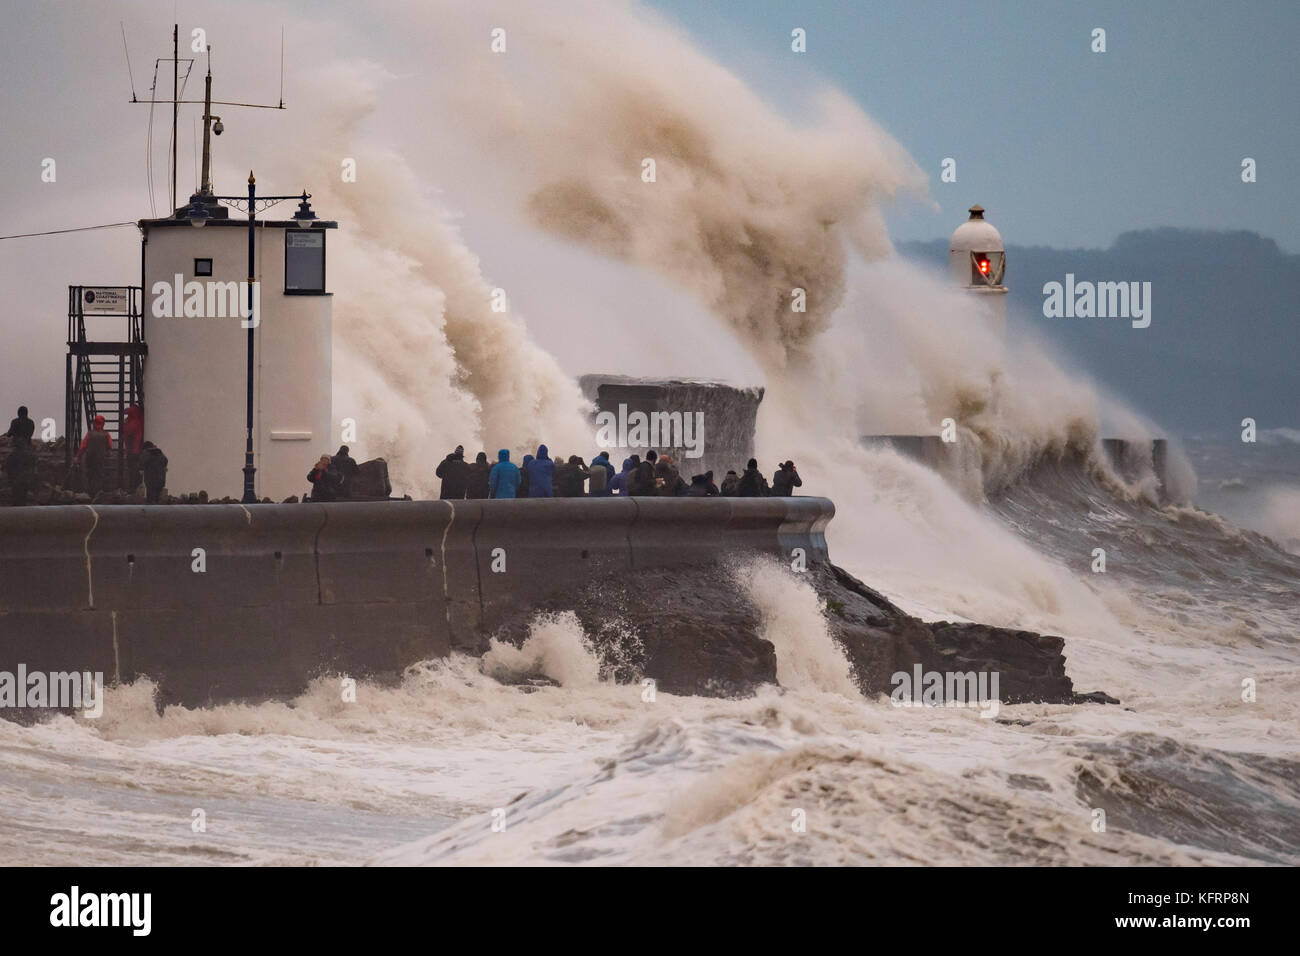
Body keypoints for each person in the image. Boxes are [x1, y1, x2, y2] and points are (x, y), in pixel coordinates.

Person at [75, 414, 113, 497]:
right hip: (100, 458)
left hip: (90, 458)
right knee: (99, 475)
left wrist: (78, 456)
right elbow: (109, 446)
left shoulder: (89, 434)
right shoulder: (106, 435)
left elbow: (82, 447)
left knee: (90, 474)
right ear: (103, 423)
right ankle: (98, 492)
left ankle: (90, 492)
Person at [122, 405, 144, 490]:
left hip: (131, 452)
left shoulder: (130, 423)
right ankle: (135, 488)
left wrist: (125, 423)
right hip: (138, 451)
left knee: (132, 472)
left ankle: (132, 489)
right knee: (137, 472)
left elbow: (127, 433)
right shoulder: (140, 421)